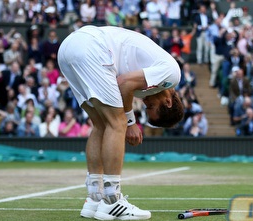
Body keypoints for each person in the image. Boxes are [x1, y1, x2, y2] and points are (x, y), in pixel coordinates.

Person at [57, 25, 184, 220]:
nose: (146, 104)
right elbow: (124, 82)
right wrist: (131, 122)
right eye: (151, 107)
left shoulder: (151, 85)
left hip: (69, 48)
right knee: (118, 123)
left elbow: (125, 85)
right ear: (167, 101)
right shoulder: (171, 76)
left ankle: (94, 198)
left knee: (101, 125)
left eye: (147, 108)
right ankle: (112, 201)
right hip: (92, 47)